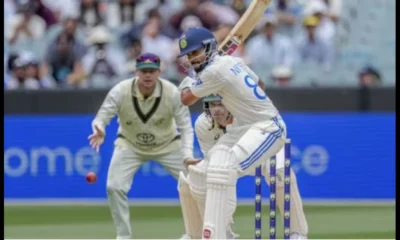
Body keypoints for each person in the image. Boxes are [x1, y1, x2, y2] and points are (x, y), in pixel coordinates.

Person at [177, 26, 307, 239]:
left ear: (208, 47)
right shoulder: (233, 62)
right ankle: (209, 234)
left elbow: (185, 99)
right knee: (199, 173)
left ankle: (297, 234)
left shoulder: (215, 70)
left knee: (229, 168)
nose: (191, 59)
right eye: (188, 55)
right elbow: (261, 85)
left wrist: (194, 78)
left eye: (194, 53)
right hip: (243, 127)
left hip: (268, 127)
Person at [88, 53, 195, 239]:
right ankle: (123, 236)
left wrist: (187, 154)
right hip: (130, 145)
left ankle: (196, 233)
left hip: (168, 145)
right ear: (136, 71)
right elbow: (102, 116)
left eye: (152, 72)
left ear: (159, 72)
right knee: (114, 187)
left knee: (195, 185)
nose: (148, 76)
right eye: (144, 71)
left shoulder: (172, 93)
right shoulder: (120, 90)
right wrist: (100, 129)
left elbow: (186, 127)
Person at [179, 95, 308, 239]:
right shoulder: (203, 124)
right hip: (230, 160)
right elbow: (215, 164)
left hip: (261, 152)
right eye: (212, 105)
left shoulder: (248, 114)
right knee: (195, 176)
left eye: (220, 104)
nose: (216, 110)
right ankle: (210, 234)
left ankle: (297, 233)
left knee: (281, 172)